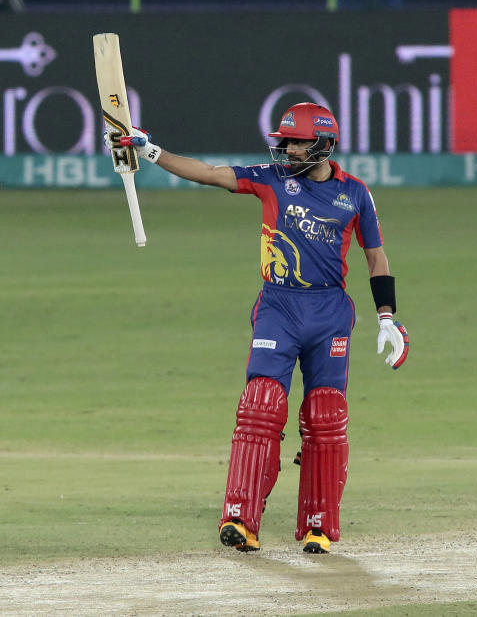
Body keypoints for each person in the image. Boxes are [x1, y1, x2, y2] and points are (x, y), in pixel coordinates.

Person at [104, 102, 410, 554]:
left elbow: (376, 256)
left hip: (329, 311)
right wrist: (152, 152)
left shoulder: (356, 194)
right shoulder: (270, 178)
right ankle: (240, 518)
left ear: (324, 145)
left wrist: (388, 317)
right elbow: (209, 173)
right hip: (278, 307)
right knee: (261, 404)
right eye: (283, 140)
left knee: (326, 415)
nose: (286, 148)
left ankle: (318, 525)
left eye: (296, 141)